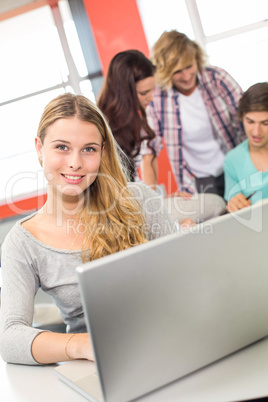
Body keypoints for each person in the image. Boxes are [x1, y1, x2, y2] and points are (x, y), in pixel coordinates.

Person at [0, 93, 178, 366]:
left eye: (88, 149)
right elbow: (10, 338)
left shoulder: (137, 199)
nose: (75, 163)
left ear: (102, 151)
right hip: (98, 364)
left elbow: (186, 273)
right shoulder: (22, 243)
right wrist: (83, 344)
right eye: (61, 147)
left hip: (170, 340)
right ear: (39, 148)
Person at [145, 30, 246, 197]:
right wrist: (152, 199)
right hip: (199, 181)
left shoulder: (217, 79)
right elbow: (149, 151)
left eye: (189, 66)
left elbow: (247, 119)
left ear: (196, 59)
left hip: (237, 167)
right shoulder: (157, 98)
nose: (186, 76)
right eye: (177, 71)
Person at [97, 50, 158, 186]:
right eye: (144, 93)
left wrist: (157, 198)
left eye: (153, 90)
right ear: (124, 93)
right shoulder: (99, 127)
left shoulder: (134, 119)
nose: (152, 97)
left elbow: (132, 180)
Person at [223, 82, 268, 212]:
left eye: (265, 123)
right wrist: (234, 204)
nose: (256, 132)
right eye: (250, 121)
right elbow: (234, 206)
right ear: (241, 118)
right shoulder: (233, 160)